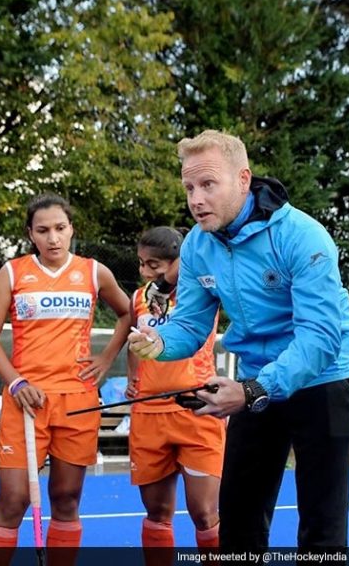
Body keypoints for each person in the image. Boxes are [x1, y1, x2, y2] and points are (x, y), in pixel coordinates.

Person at [129, 129, 349, 551]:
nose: (196, 199)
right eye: (189, 187)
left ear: (243, 180)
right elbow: (192, 325)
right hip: (253, 382)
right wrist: (158, 341)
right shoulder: (198, 245)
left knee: (321, 528)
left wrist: (253, 389)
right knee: (238, 522)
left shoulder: (302, 236)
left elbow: (321, 336)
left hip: (321, 379)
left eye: (207, 184)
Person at [0, 193, 130, 563]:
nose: (53, 238)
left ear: (71, 229)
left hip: (77, 402)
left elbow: (129, 313)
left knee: (66, 498)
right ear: (31, 234)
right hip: (25, 402)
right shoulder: (13, 272)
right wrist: (16, 382)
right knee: (12, 501)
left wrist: (106, 358)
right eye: (43, 230)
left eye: (60, 228)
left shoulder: (94, 272)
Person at [125, 226, 224, 556]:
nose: (145, 271)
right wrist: (131, 379)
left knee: (204, 513)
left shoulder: (203, 291)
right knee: (156, 514)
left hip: (196, 410)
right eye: (141, 263)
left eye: (154, 264)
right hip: (149, 415)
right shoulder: (140, 297)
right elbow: (130, 339)